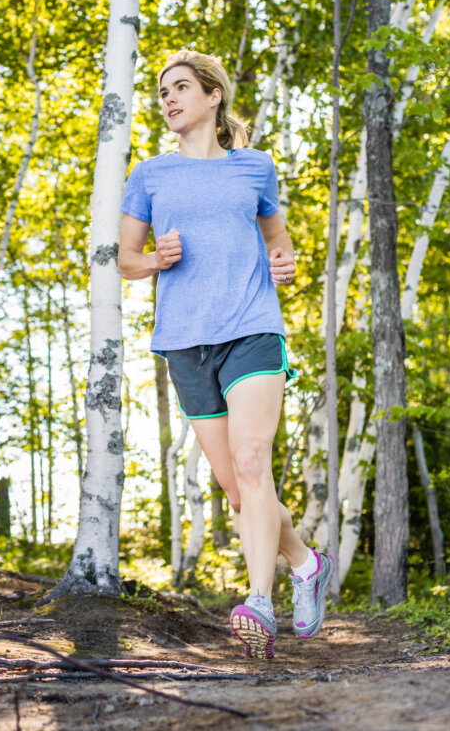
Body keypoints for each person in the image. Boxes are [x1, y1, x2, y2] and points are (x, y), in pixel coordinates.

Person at [117, 49, 333, 659]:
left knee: (252, 458)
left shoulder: (255, 167)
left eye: (180, 87)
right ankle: (305, 561)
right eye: (162, 92)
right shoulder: (150, 175)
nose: (169, 99)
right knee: (241, 493)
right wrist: (155, 260)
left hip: (252, 328)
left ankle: (259, 600)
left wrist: (285, 264)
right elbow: (123, 258)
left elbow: (278, 240)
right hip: (184, 340)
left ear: (213, 96)